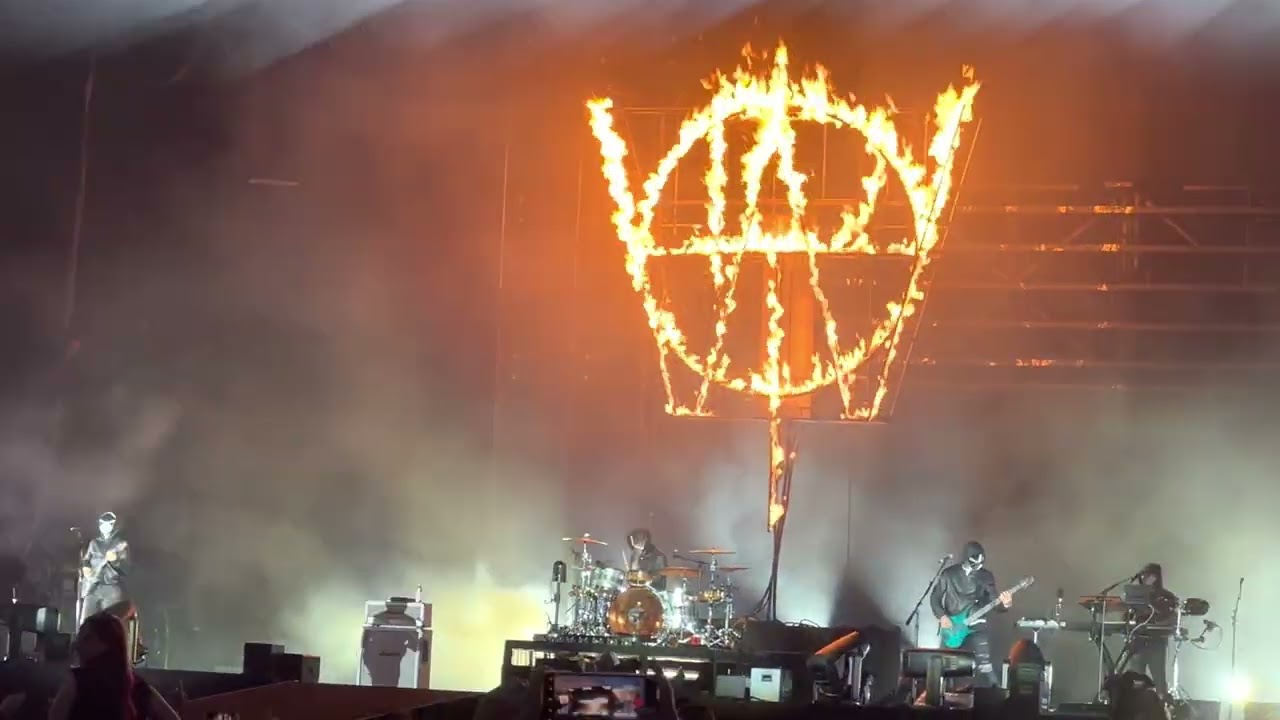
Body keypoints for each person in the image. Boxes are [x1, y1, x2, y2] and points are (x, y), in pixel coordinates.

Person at [49, 612, 180, 720]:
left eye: (86, 637)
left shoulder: (77, 680)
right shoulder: (138, 686)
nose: (77, 645)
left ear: (106, 643)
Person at [930, 541, 1013, 688]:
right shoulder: (948, 574)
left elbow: (994, 602)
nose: (978, 566)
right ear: (966, 559)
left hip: (976, 625)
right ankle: (939, 696)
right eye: (975, 563)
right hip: (952, 626)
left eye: (981, 563)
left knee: (985, 665)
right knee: (943, 667)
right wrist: (942, 616)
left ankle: (997, 694)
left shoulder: (986, 576)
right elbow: (935, 597)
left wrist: (1005, 604)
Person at [1123, 563, 1176, 695]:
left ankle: (1162, 704)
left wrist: (1157, 623)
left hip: (1156, 642)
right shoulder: (1134, 595)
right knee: (1135, 680)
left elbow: (1173, 617)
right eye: (1144, 575)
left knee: (1159, 680)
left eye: (1149, 575)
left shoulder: (1166, 596)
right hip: (1137, 642)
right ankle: (1134, 704)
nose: (1145, 577)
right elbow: (1126, 614)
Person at [79, 512, 130, 626]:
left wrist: (115, 560)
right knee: (86, 622)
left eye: (108, 524)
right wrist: (85, 567)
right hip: (92, 587)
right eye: (102, 524)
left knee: (109, 623)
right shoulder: (94, 543)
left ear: (113, 525)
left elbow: (126, 568)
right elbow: (86, 559)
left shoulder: (121, 543)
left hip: (111, 588)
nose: (104, 526)